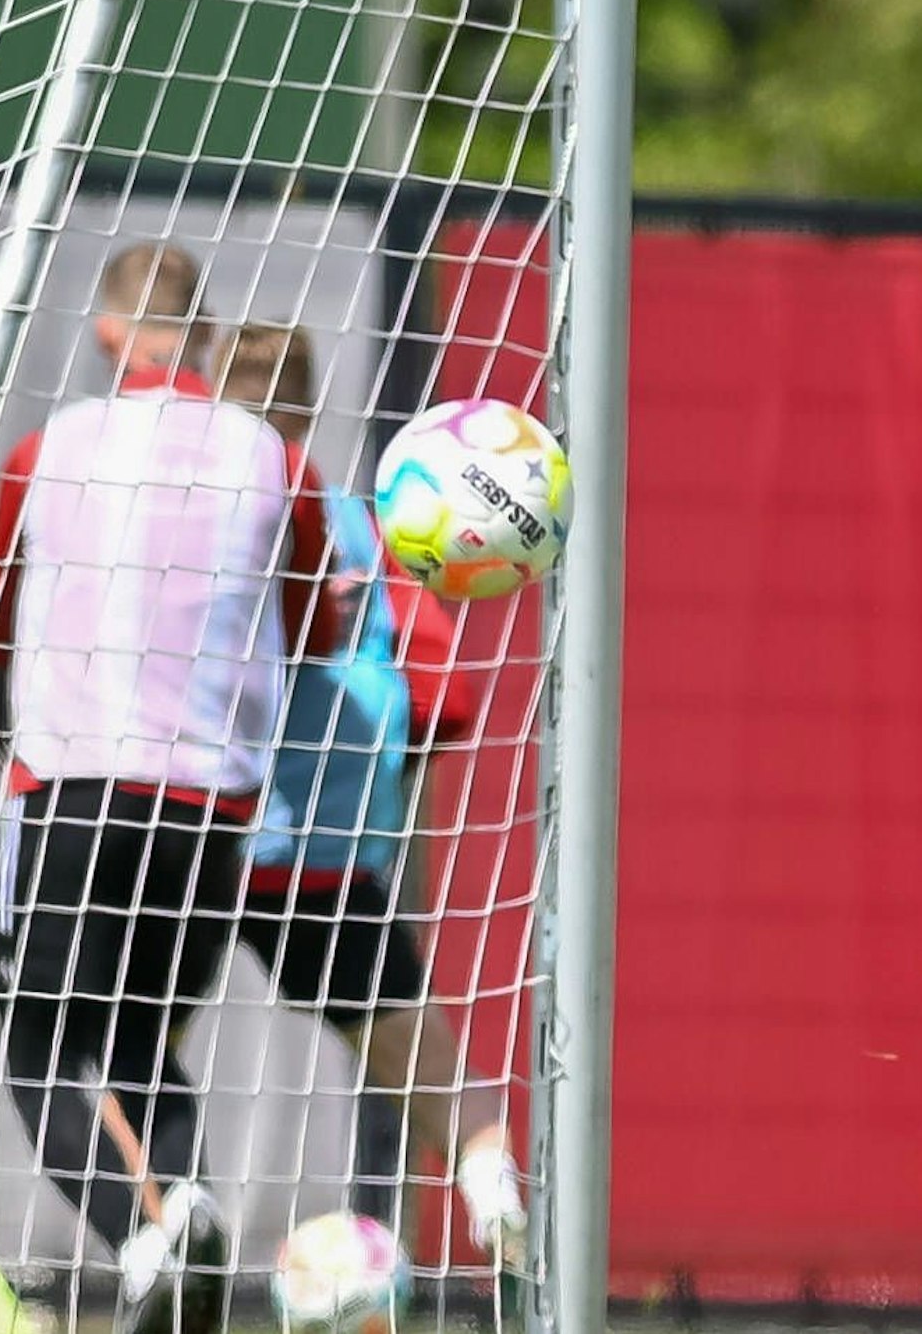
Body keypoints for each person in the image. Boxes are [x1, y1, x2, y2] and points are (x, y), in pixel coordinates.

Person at [0, 246, 335, 1334]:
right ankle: (185, 1212)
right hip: (213, 810)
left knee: (38, 1042)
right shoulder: (276, 463)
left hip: (75, 786)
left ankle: (143, 1232)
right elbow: (313, 627)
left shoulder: (49, 450)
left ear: (104, 330)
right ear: (204, 329)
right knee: (137, 1034)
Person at [213, 322, 529, 1265]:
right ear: (311, 406)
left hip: (199, 834)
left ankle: (165, 1228)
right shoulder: (364, 528)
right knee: (438, 1077)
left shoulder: (199, 512)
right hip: (331, 855)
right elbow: (442, 694)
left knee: (107, 1052)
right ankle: (492, 1190)